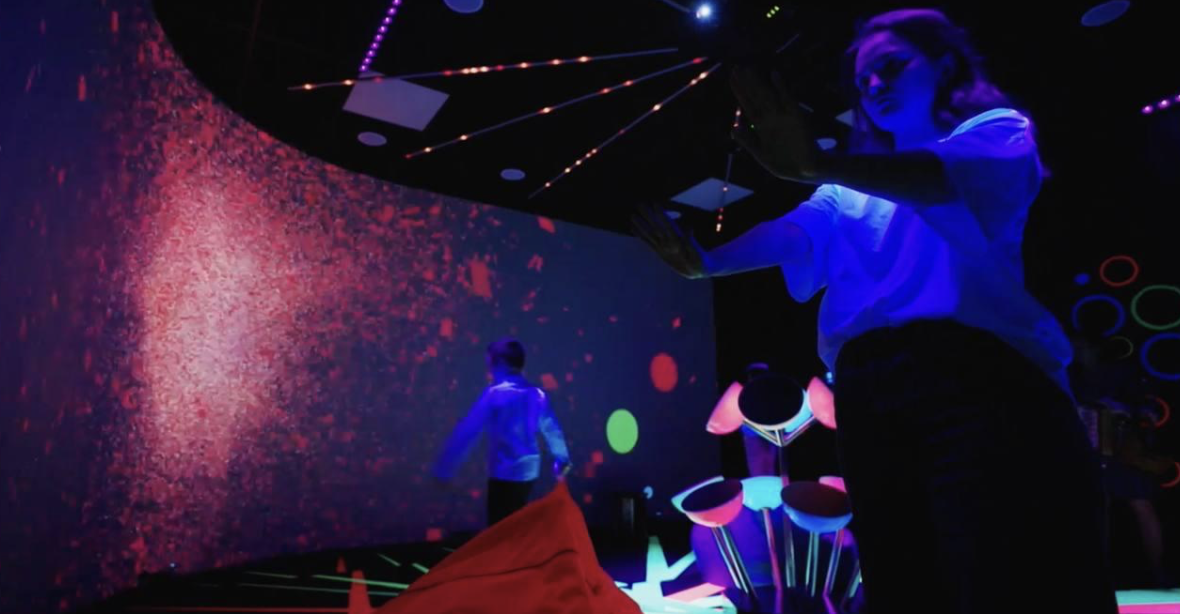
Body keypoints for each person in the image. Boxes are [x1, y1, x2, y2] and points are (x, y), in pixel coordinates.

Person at [633, 9, 1117, 613]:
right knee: (902, 577)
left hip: (979, 378)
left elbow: (941, 178)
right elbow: (796, 232)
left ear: (943, 64)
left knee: (1007, 570)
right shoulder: (845, 191)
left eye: (891, 65)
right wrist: (709, 263)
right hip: (866, 392)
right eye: (864, 81)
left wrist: (817, 164)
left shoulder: (997, 132)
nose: (875, 85)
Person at [433, 338, 572, 527]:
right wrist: (562, 459)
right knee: (520, 523)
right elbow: (552, 429)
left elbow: (468, 431)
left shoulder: (494, 395)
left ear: (500, 363)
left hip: (503, 472)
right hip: (529, 471)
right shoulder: (536, 395)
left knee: (500, 528)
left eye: (490, 364)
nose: (489, 370)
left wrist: (444, 467)